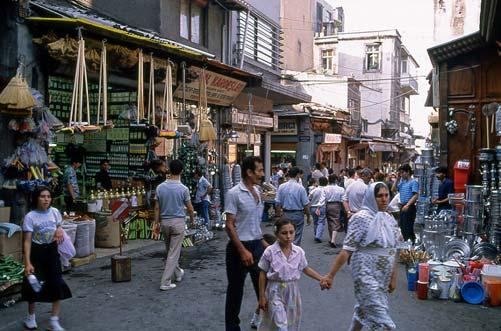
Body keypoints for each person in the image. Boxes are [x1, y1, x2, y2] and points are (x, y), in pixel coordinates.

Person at [321, 183, 402, 331]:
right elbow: (347, 250)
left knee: (363, 309)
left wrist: (393, 277)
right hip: (365, 273)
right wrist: (330, 275)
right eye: (379, 196)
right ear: (371, 197)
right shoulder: (360, 218)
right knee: (383, 321)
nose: (384, 199)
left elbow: (393, 250)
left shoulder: (389, 219)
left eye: (386, 195)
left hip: (382, 275)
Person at [224, 156, 268, 331]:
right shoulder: (234, 193)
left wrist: (265, 244)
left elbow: (253, 224)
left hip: (257, 246)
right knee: (235, 291)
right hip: (238, 248)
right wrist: (242, 250)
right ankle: (232, 327)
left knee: (264, 289)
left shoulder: (257, 191)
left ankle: (264, 322)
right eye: (259, 170)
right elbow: (229, 225)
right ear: (249, 172)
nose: (262, 174)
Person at [258, 219, 324, 331]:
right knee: (281, 324)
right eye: (284, 233)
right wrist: (262, 296)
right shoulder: (270, 251)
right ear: (276, 234)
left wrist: (322, 278)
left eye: (291, 232)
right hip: (275, 290)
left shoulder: (298, 252)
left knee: (290, 322)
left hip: (292, 291)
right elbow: (262, 274)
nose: (288, 236)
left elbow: (305, 269)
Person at [22, 187, 71, 331]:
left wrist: (59, 229)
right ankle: (31, 317)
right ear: (36, 198)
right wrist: (28, 262)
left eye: (48, 196)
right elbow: (27, 241)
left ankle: (54, 320)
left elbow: (59, 226)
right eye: (42, 196)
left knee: (56, 283)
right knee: (34, 285)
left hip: (52, 251)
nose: (46, 199)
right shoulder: (30, 216)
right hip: (37, 252)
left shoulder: (55, 212)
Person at [155, 159, 195, 291]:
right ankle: (165, 282)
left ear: (169, 170)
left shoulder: (160, 187)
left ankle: (178, 273)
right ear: (182, 171)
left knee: (170, 251)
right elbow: (189, 208)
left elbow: (157, 208)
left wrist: (156, 223)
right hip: (178, 222)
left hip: (165, 222)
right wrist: (192, 220)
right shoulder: (183, 189)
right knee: (173, 253)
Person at [275, 167, 312, 246]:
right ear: (298, 175)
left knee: (285, 236)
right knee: (296, 235)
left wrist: (278, 215)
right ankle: (294, 253)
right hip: (298, 215)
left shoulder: (282, 186)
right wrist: (308, 216)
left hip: (285, 214)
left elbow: (277, 203)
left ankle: (286, 252)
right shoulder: (301, 188)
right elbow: (306, 204)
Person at [392, 164, 419, 242]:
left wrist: (408, 205)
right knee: (402, 226)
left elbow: (415, 195)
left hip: (409, 206)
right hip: (403, 206)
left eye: (402, 172)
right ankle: (407, 243)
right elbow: (393, 189)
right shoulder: (402, 182)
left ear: (408, 172)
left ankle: (412, 243)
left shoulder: (413, 182)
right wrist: (397, 179)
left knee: (408, 227)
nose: (401, 174)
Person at [324, 174, 346, 247]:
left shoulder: (325, 188)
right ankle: (333, 240)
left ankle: (331, 239)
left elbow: (323, 198)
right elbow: (343, 199)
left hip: (328, 205)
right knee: (336, 222)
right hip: (337, 205)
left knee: (329, 221)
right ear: (336, 180)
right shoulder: (341, 189)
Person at [309, 177, 328, 243]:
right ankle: (318, 236)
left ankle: (316, 234)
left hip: (313, 207)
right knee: (321, 221)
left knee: (315, 221)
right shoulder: (326, 190)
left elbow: (309, 197)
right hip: (322, 207)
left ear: (319, 182)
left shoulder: (315, 190)